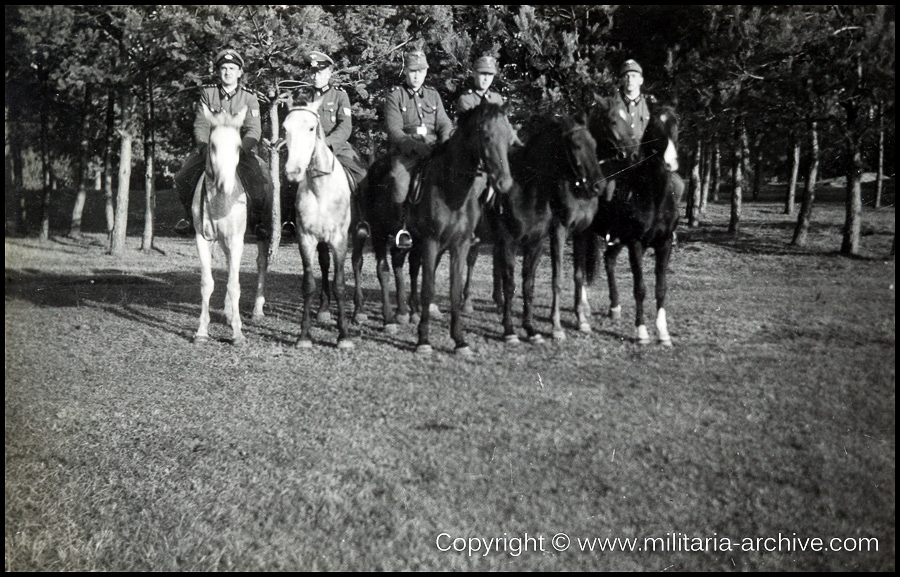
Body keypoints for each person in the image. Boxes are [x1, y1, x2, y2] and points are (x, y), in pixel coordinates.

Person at [173, 49, 273, 239]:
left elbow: (254, 130)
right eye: (224, 68)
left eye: (232, 68)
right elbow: (201, 125)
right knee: (183, 176)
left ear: (240, 72)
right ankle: (190, 218)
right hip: (212, 151)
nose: (228, 72)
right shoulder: (208, 93)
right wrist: (203, 148)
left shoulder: (249, 97)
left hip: (239, 151)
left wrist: (242, 150)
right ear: (219, 71)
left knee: (260, 179)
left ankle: (256, 221)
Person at [285, 51, 370, 238]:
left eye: (320, 72)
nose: (316, 76)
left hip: (336, 147)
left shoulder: (340, 95)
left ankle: (361, 221)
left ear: (330, 72)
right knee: (289, 176)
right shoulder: (302, 95)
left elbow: (345, 126)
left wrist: (327, 144)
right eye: (313, 72)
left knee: (361, 174)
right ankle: (290, 220)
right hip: (305, 150)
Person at [383, 48, 453, 249]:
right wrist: (414, 146)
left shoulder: (433, 95)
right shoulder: (395, 95)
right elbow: (394, 129)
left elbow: (444, 123)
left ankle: (453, 225)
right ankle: (400, 227)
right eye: (413, 71)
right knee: (398, 179)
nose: (416, 75)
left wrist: (445, 141)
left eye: (421, 71)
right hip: (408, 152)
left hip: (434, 148)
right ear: (405, 71)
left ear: (426, 72)